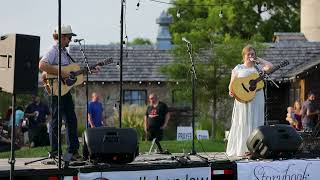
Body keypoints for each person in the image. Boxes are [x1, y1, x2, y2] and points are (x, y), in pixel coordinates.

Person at [39, 25, 82, 159]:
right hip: (54, 90)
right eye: (69, 38)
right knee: (56, 121)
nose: (70, 40)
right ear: (62, 37)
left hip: (64, 91)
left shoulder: (64, 52)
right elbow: (42, 65)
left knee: (71, 120)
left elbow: (70, 74)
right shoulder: (54, 50)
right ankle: (55, 153)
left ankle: (72, 152)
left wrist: (90, 70)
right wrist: (62, 73)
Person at [227, 44, 273, 157]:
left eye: (253, 54)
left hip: (257, 97)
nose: (250, 56)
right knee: (243, 121)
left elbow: (270, 66)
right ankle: (242, 148)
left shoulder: (258, 68)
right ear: (244, 56)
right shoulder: (238, 68)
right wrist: (231, 91)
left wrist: (258, 60)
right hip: (243, 99)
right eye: (248, 54)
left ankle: (254, 149)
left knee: (255, 120)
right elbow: (231, 84)